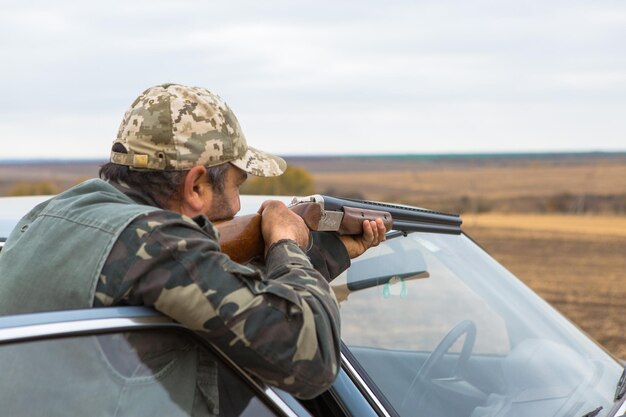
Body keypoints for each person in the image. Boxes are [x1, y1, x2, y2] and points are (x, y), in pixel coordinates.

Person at [0, 83, 386, 404]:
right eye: (238, 185)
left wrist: (326, 252)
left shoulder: (48, 216)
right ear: (196, 185)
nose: (237, 205)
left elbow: (225, 297)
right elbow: (312, 361)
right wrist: (286, 243)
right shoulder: (157, 242)